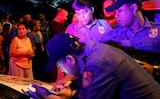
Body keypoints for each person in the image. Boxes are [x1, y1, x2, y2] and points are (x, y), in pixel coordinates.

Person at [29, 33, 160, 99]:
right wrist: (71, 93)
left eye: (59, 64)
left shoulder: (98, 63)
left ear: (70, 59)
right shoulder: (92, 51)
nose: (61, 69)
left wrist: (49, 97)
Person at [105, 0, 160, 83]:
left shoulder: (158, 30)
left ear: (133, 8)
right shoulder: (114, 33)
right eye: (115, 12)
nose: (116, 15)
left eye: (119, 11)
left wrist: (154, 70)